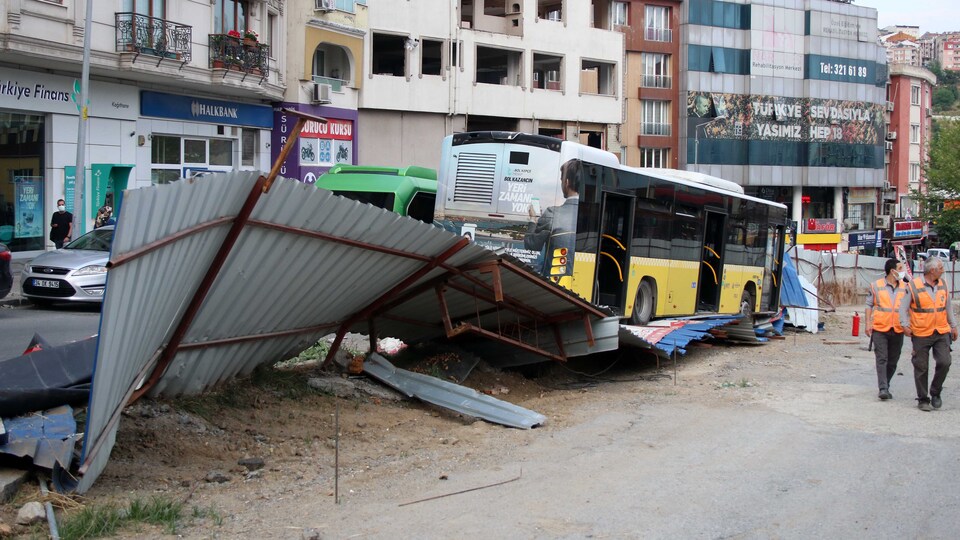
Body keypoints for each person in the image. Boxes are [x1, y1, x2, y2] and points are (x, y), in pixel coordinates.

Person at [899, 256, 959, 411]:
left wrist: (953, 326)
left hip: (941, 331)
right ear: (932, 270)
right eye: (940, 268)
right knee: (921, 366)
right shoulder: (913, 286)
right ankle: (923, 398)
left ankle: (935, 391)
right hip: (921, 332)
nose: (943, 270)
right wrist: (905, 325)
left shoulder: (943, 285)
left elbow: (948, 307)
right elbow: (903, 308)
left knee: (945, 362)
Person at [524, 161, 579, 275]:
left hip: (555, 284)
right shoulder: (593, 217)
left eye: (561, 180)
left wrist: (533, 219)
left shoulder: (552, 214)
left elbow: (531, 244)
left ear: (567, 183)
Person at [865, 258, 907, 400]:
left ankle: (886, 383)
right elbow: (869, 305)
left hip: (898, 329)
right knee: (881, 358)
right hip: (880, 328)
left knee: (893, 361)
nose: (903, 271)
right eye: (900, 268)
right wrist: (867, 324)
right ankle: (882, 388)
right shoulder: (876, 286)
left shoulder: (906, 287)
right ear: (892, 271)